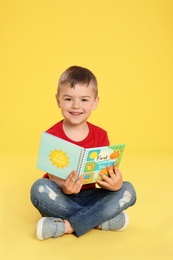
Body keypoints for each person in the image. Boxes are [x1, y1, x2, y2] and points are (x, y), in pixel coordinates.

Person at [30, 65, 136, 240]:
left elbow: (103, 178)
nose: (76, 106)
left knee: (127, 191)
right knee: (39, 189)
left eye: (84, 100)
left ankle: (66, 226)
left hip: (90, 196)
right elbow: (54, 179)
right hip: (60, 197)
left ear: (95, 102)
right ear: (58, 100)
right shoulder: (51, 136)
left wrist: (114, 184)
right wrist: (66, 188)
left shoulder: (101, 135)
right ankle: (99, 220)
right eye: (68, 99)